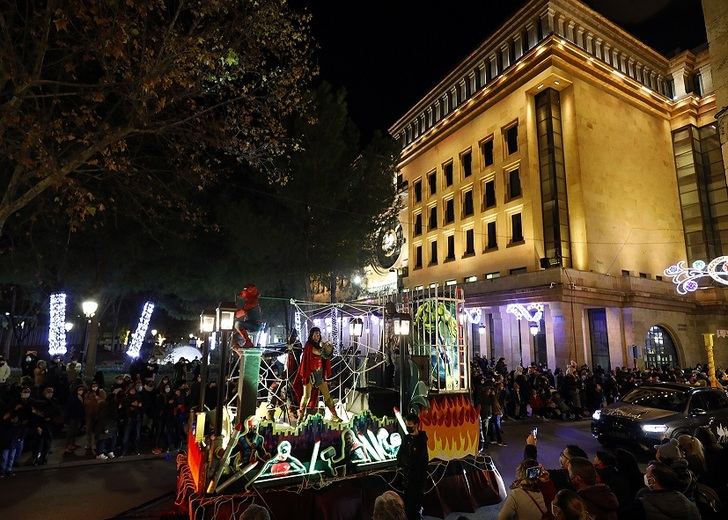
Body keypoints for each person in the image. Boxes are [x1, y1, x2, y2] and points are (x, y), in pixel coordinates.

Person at [631, 461, 700, 520]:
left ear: (652, 481)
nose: (644, 475)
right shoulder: (688, 504)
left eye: (647, 474)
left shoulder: (642, 504)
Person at [297, 327, 340, 422]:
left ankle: (334, 415)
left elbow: (325, 356)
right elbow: (317, 352)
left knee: (327, 396)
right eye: (315, 334)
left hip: (319, 374)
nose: (317, 336)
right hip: (309, 374)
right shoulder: (309, 345)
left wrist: (327, 348)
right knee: (306, 396)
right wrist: (326, 348)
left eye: (318, 334)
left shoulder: (320, 345)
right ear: (311, 335)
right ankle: (301, 416)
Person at [396, 412, 429, 520]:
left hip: (418, 478)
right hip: (408, 477)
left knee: (416, 502)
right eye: (407, 424)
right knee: (408, 503)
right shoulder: (406, 439)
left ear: (416, 425)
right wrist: (406, 462)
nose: (408, 427)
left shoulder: (421, 440)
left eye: (410, 424)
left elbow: (420, 459)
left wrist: (407, 461)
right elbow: (399, 455)